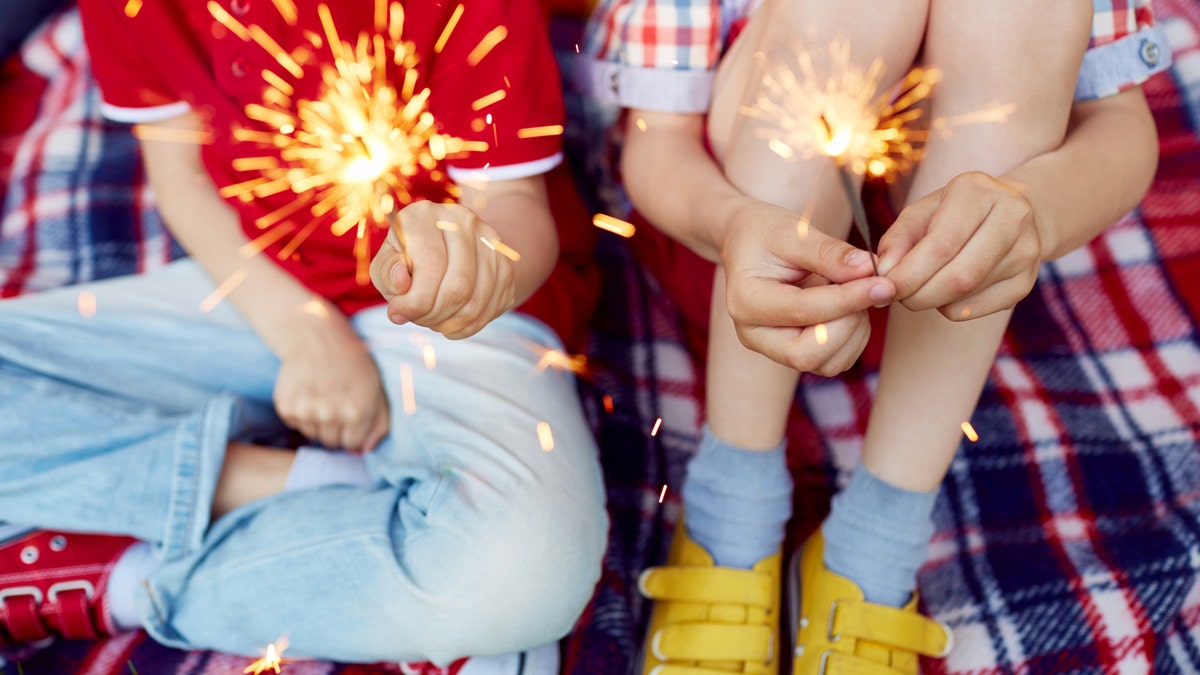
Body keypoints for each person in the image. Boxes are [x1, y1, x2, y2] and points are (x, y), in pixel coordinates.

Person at [0, 0, 607, 671]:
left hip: (442, 320)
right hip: (256, 286)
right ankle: (268, 484)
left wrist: (476, 265)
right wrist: (306, 334)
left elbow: (515, 209)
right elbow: (183, 178)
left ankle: (127, 579)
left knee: (521, 567)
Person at [581, 0, 1168, 672]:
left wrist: (1035, 212)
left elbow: (1122, 131)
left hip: (950, 288)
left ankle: (875, 547)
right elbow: (657, 144)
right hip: (736, 260)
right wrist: (732, 223)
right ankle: (729, 512)